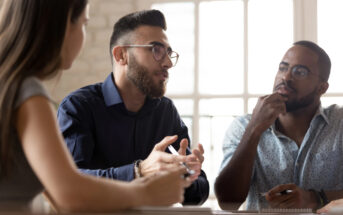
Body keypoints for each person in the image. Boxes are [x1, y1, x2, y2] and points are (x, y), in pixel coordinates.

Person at [0, 0, 191, 212]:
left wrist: (185, 171)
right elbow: (69, 194)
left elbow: (55, 190)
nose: (167, 63)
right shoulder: (28, 93)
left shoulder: (11, 86)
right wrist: (146, 187)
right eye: (83, 24)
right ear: (60, 25)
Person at [57, 9, 209, 205]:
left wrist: (186, 175)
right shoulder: (78, 107)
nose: (168, 63)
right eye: (156, 49)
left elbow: (199, 193)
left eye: (169, 52)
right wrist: (139, 171)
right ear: (121, 55)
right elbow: (70, 182)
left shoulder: (166, 111)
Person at [215, 41, 343, 211]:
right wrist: (254, 129)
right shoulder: (243, 126)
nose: (286, 77)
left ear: (322, 88)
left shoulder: (339, 123)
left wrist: (315, 198)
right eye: (283, 68)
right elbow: (227, 201)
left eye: (300, 72)